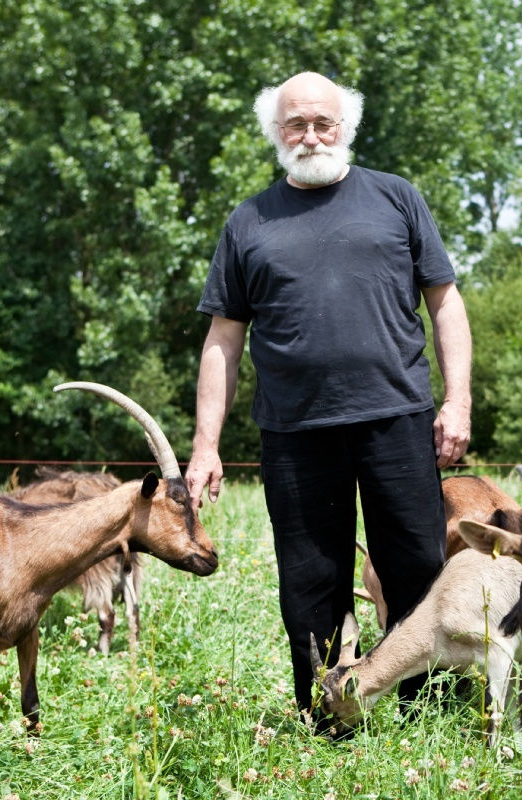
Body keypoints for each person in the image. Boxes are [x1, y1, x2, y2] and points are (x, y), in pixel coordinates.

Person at [185, 71, 472, 728]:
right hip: (294, 430)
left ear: (344, 127)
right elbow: (222, 341)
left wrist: (456, 401)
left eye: (322, 122)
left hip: (398, 417)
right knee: (310, 579)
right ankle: (326, 714)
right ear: (276, 133)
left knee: (418, 567)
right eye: (295, 124)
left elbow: (445, 304)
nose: (309, 135)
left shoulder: (396, 198)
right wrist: (206, 445)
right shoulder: (248, 221)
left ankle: (426, 710)